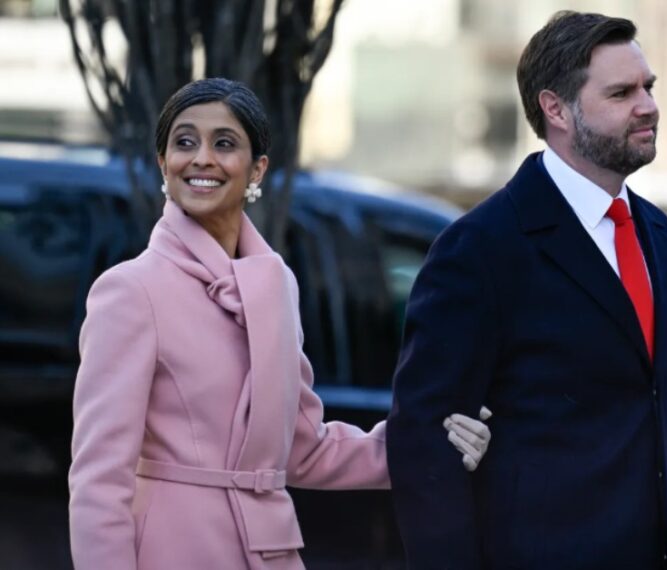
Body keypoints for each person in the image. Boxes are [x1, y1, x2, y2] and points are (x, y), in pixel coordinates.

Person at [68, 78, 492, 570]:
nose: (201, 157)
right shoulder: (130, 291)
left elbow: (303, 450)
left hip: (270, 553)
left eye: (224, 143)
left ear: (257, 168)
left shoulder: (275, 287)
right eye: (184, 142)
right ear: (164, 164)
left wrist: (425, 443)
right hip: (172, 550)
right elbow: (99, 480)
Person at [387, 11, 667, 569]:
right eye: (621, 92)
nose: (647, 106)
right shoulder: (479, 248)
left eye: (648, 86)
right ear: (555, 109)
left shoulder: (659, 236)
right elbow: (425, 448)